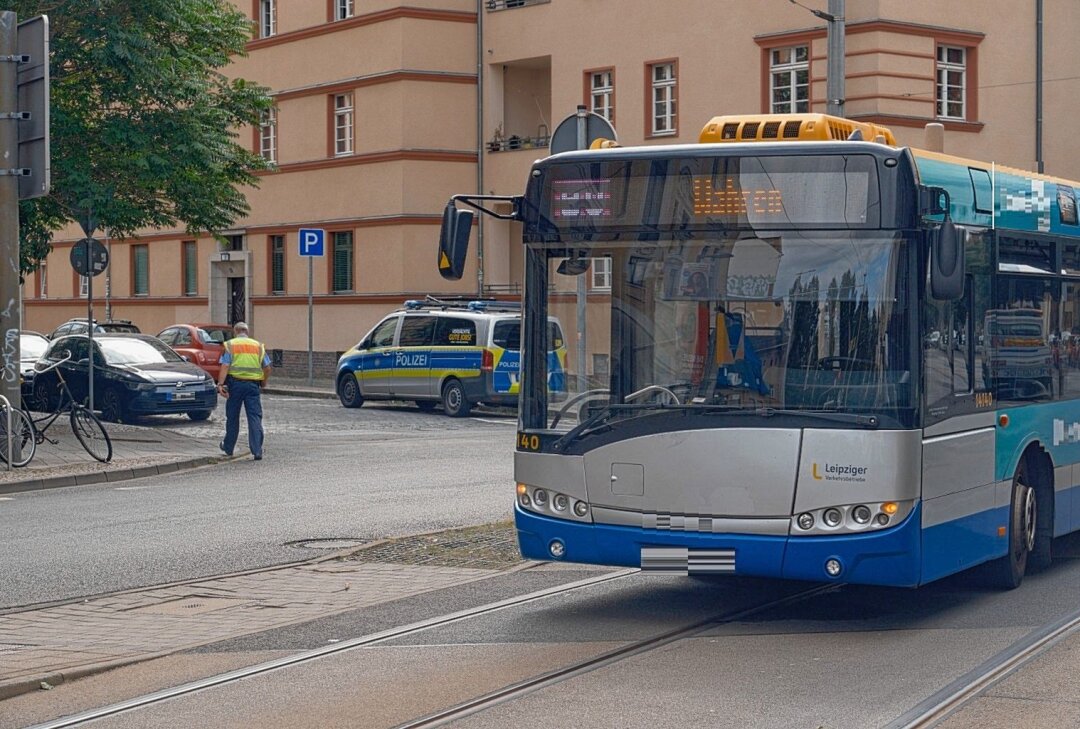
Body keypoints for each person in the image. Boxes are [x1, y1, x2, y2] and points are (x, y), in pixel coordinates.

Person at [217, 322, 271, 460]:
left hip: (235, 385)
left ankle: (229, 447)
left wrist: (220, 384)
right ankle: (257, 450)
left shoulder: (230, 345)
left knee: (233, 417)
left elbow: (225, 365)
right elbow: (267, 367)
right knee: (254, 417)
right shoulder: (258, 346)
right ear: (247, 332)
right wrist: (263, 382)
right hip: (253, 386)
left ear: (235, 332)